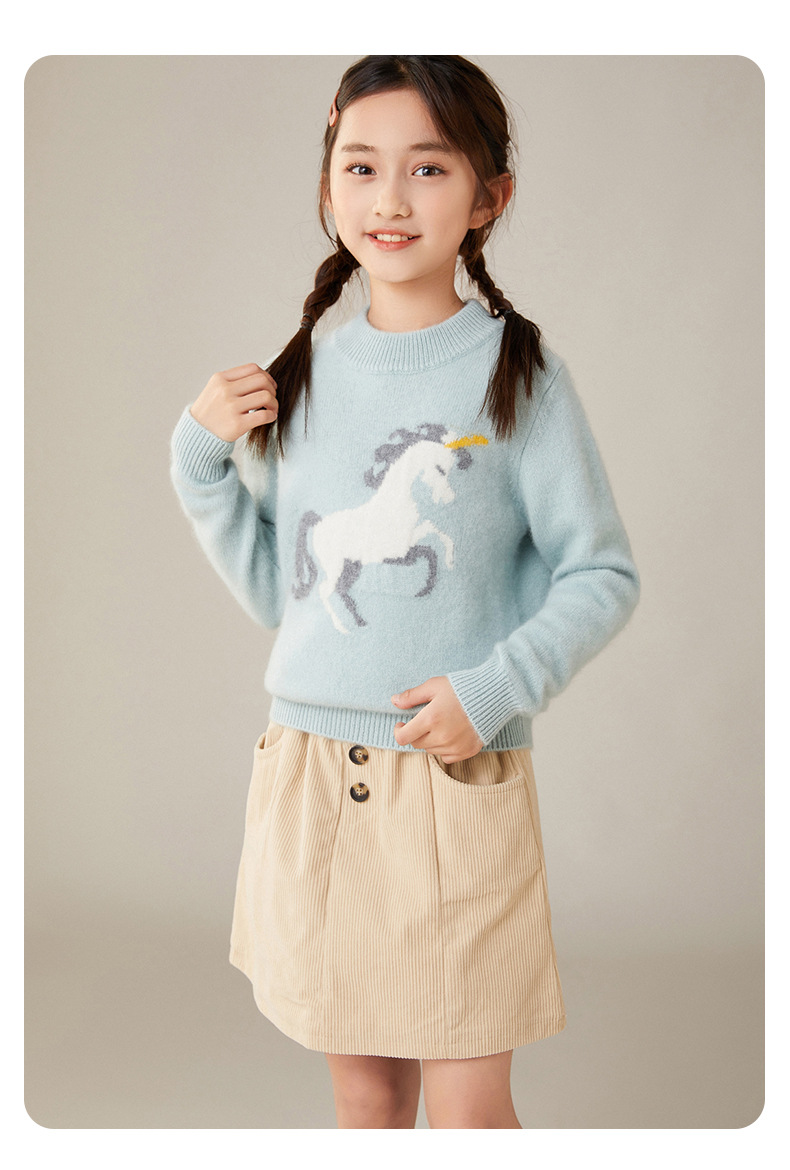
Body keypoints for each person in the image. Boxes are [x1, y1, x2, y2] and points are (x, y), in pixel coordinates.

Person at [169, 55, 640, 1129]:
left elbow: (601, 572)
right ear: (328, 186)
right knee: (368, 1098)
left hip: (450, 784)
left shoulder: (519, 376)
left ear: (488, 197)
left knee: (468, 1111)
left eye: (428, 168)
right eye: (361, 166)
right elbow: (287, 596)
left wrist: (493, 688)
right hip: (313, 779)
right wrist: (198, 466)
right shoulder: (302, 380)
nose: (389, 199)